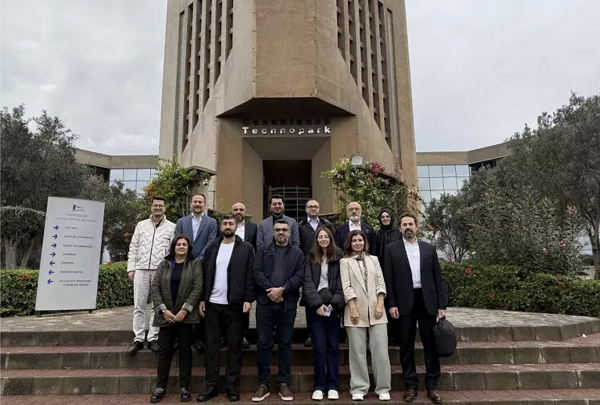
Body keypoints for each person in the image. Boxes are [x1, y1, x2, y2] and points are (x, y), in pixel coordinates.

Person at [383, 213, 446, 403]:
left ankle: (432, 386)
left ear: (417, 227)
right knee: (406, 346)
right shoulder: (391, 249)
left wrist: (441, 305)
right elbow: (388, 279)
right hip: (403, 302)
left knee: (431, 346)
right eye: (404, 224)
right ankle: (410, 385)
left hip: (427, 301)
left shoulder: (429, 248)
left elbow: (437, 278)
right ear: (400, 228)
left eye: (411, 224)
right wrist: (391, 304)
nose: (408, 227)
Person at [196, 214, 255, 403]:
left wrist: (248, 298)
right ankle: (211, 385)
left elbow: (250, 274)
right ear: (221, 227)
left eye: (231, 223)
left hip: (235, 305)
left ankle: (232, 386)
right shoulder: (212, 246)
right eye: (225, 223)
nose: (228, 226)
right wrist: (202, 298)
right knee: (211, 347)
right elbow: (203, 272)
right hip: (212, 304)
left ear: (236, 227)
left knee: (234, 346)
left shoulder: (246, 248)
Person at [252, 219, 305, 402]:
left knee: (285, 343)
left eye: (284, 230)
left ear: (289, 233)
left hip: (287, 303)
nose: (281, 232)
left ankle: (284, 383)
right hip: (265, 303)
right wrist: (272, 291)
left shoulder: (297, 253)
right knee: (263, 342)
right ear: (273, 232)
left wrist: (282, 290)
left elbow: (299, 276)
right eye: (277, 230)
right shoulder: (262, 251)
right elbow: (257, 272)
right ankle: (263, 384)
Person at [149, 234, 202, 403]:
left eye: (184, 244)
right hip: (166, 317)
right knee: (164, 352)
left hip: (185, 318)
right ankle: (160, 387)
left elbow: (197, 288)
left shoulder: (194, 264)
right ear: (173, 247)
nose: (181, 247)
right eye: (178, 244)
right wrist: (163, 310)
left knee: (185, 352)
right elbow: (155, 287)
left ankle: (185, 388)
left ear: (188, 247)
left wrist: (185, 310)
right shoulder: (164, 264)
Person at [340, 230, 391, 401]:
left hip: (377, 310)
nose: (357, 243)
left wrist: (380, 303)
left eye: (360, 240)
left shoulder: (374, 260)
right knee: (357, 352)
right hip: (355, 310)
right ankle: (359, 387)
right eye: (354, 240)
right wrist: (353, 307)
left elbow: (381, 283)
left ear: (365, 242)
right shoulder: (345, 262)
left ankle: (383, 387)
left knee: (381, 351)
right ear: (350, 243)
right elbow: (346, 286)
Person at [126, 196, 176, 355]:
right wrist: (131, 268)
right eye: (155, 205)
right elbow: (133, 247)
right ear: (151, 207)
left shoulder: (172, 227)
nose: (158, 208)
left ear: (165, 208)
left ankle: (153, 338)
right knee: (139, 305)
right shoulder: (141, 225)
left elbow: (173, 252)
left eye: (161, 205)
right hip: (141, 269)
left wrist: (169, 271)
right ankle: (138, 338)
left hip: (159, 271)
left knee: (157, 306)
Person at [303, 227, 344, 401]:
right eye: (320, 237)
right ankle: (319, 385)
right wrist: (318, 304)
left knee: (333, 348)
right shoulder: (309, 257)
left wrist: (333, 304)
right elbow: (307, 282)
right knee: (319, 348)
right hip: (316, 308)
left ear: (331, 238)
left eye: (326, 236)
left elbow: (343, 283)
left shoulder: (340, 257)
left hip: (333, 307)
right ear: (316, 239)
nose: (323, 239)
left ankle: (333, 385)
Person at [174, 193, 218, 352]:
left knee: (201, 299)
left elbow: (211, 242)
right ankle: (180, 337)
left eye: (200, 202)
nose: (198, 204)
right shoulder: (181, 222)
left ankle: (199, 337)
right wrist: (187, 258)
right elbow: (177, 240)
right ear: (191, 204)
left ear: (204, 205)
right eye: (195, 202)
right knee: (182, 296)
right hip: (183, 264)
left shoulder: (212, 222)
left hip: (203, 265)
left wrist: (197, 259)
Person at [298, 198, 335, 348]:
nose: (313, 209)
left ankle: (327, 332)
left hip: (326, 263)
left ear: (319, 209)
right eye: (310, 207)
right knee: (310, 297)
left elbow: (333, 243)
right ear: (306, 209)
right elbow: (298, 246)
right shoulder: (300, 226)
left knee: (327, 294)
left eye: (315, 206)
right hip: (309, 265)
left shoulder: (327, 225)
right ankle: (311, 334)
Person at [232, 202, 258, 349]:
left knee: (244, 304)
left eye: (241, 209)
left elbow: (257, 247)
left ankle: (243, 335)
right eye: (235, 209)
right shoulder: (227, 226)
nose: (238, 212)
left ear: (245, 212)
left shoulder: (253, 228)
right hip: (228, 269)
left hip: (246, 270)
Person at [375, 208, 400, 346]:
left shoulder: (398, 233)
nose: (385, 219)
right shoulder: (377, 234)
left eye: (387, 217)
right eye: (383, 217)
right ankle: (387, 335)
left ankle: (397, 335)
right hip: (380, 271)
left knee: (395, 302)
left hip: (395, 272)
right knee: (383, 302)